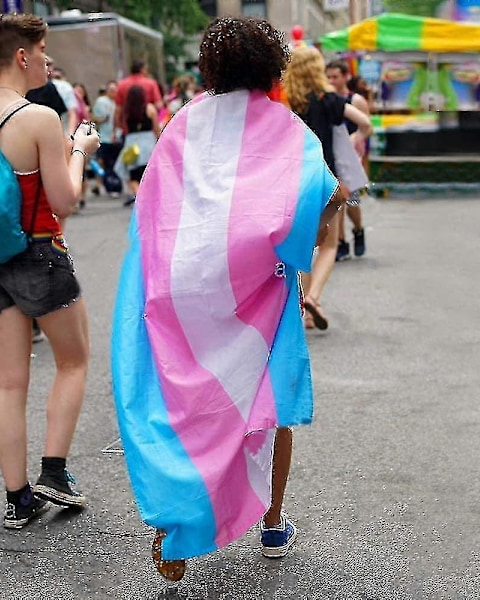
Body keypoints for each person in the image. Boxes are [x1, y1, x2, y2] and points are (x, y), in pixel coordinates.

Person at [111, 16, 341, 581]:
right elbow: (329, 196)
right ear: (271, 66)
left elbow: (153, 206)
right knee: (265, 403)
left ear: (210, 67)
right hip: (256, 292)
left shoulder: (183, 123)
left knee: (190, 407)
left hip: (182, 285)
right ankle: (272, 523)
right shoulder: (286, 128)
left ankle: (177, 528)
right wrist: (294, 234)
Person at [0, 13, 100, 530]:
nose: (47, 60)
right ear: (21, 56)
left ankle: (18, 501)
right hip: (38, 254)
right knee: (74, 362)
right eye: (42, 50)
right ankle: (54, 473)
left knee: (9, 383)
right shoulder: (38, 118)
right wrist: (79, 150)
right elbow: (65, 200)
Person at [284, 46, 372, 330]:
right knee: (329, 244)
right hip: (325, 180)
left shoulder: (284, 103)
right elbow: (365, 123)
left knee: (303, 247)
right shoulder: (328, 99)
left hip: (292, 182)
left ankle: (307, 312)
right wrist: (356, 139)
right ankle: (314, 296)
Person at [326, 59, 371, 261]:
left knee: (352, 201)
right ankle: (340, 242)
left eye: (335, 76)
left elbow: (367, 128)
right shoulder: (325, 99)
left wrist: (355, 142)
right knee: (337, 201)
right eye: (328, 77)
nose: (331, 80)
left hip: (352, 156)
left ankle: (358, 229)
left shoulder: (356, 101)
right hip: (334, 156)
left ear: (346, 77)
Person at [113, 84, 161, 206]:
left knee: (133, 175)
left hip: (132, 144)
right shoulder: (150, 108)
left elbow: (120, 125)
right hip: (148, 144)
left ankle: (139, 196)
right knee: (148, 173)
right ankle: (149, 198)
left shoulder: (126, 110)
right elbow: (156, 128)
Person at [114, 58, 163, 134]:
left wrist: (117, 128)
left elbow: (118, 110)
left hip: (128, 127)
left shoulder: (122, 84)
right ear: (142, 69)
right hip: (148, 127)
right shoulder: (151, 83)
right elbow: (159, 105)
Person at [92, 80, 123, 197]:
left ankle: (113, 185)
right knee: (102, 161)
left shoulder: (119, 102)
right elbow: (94, 118)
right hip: (104, 137)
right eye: (111, 90)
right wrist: (102, 119)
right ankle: (100, 184)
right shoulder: (101, 101)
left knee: (115, 162)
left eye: (115, 90)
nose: (113, 92)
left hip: (117, 136)